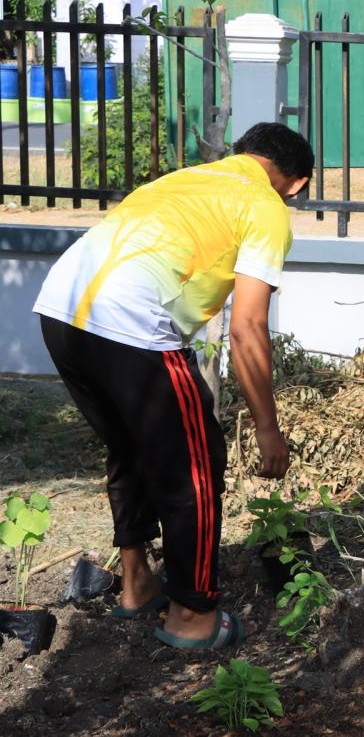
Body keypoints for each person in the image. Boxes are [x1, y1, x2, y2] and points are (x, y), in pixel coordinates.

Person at [33, 122, 313, 649]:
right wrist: (268, 428)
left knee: (129, 447)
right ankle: (192, 616)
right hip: (131, 324)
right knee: (197, 467)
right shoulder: (266, 206)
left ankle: (137, 585)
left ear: (241, 154)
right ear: (295, 184)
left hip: (58, 309)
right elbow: (249, 327)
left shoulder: (184, 180)